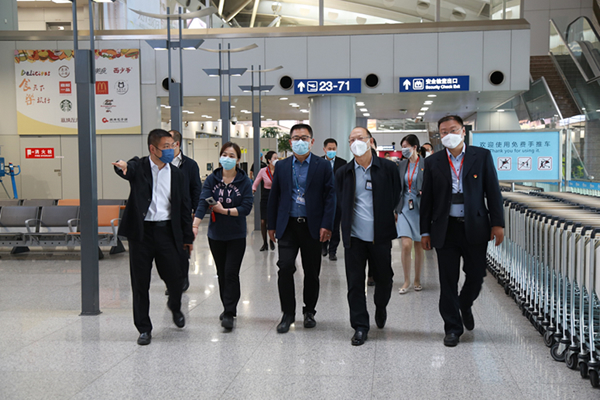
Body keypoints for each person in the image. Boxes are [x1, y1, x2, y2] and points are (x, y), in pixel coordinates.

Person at [420, 115, 504, 347]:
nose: (449, 135)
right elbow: (427, 199)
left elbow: (493, 191)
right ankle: (452, 328)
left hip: (475, 226)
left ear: (463, 131)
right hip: (445, 229)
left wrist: (498, 223)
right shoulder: (433, 162)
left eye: (453, 130)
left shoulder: (481, 156)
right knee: (447, 280)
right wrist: (425, 231)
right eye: (444, 132)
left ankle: (464, 304)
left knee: (476, 275)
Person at [112, 129, 193, 346]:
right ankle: (144, 328)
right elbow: (127, 168)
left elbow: (185, 207)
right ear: (152, 148)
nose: (170, 151)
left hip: (167, 232)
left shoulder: (177, 174)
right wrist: (122, 166)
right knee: (140, 283)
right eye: (166, 147)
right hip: (142, 234)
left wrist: (188, 238)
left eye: (172, 146)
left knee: (176, 278)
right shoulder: (139, 167)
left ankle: (174, 306)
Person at [335, 127, 401, 346]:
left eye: (360, 138)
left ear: (370, 141)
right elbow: (340, 201)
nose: (356, 142)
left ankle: (380, 306)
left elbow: (396, 194)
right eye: (351, 139)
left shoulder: (388, 168)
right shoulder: (343, 172)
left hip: (380, 235)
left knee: (385, 278)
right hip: (354, 237)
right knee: (355, 283)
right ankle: (360, 326)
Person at [268, 123, 336, 333]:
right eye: (296, 138)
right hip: (288, 225)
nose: (300, 142)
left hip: (312, 226)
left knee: (312, 272)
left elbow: (330, 197)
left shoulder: (322, 166)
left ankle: (309, 312)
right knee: (285, 267)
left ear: (312, 141)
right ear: (290, 142)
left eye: (304, 138)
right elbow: (274, 196)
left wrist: (327, 224)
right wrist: (271, 225)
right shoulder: (282, 166)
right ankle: (288, 314)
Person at [193, 142, 253, 330]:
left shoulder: (244, 181)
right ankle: (227, 306)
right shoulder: (212, 179)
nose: (227, 158)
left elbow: (246, 208)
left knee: (231, 272)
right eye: (224, 154)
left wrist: (224, 211)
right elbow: (203, 202)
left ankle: (229, 312)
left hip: (236, 235)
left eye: (231, 155)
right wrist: (195, 225)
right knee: (221, 273)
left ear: (238, 159)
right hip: (216, 235)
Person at [165, 129, 201, 294]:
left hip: (183, 214)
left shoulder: (190, 165)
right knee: (167, 249)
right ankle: (171, 281)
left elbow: (196, 190)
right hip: (164, 213)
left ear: (177, 144)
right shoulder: (161, 162)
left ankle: (183, 278)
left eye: (168, 144)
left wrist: (196, 213)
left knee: (182, 247)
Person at [396, 134, 425, 294]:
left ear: (415, 147)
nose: (404, 150)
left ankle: (417, 279)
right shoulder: (401, 165)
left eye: (406, 146)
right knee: (406, 244)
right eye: (402, 147)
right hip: (404, 208)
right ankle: (406, 280)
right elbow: (397, 187)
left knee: (419, 245)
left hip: (419, 208)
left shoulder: (425, 164)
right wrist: (395, 209)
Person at [322, 138, 347, 261]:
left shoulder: (343, 163)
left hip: (337, 200)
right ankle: (323, 246)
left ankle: (333, 250)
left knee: (335, 227)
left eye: (334, 149)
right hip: (322, 200)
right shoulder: (318, 162)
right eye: (329, 149)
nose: (331, 151)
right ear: (324, 149)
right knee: (323, 224)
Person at [252, 150, 278, 251]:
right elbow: (256, 182)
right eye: (275, 158)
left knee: (272, 219)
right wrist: (253, 190)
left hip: (276, 196)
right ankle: (265, 243)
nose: (276, 160)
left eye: (277, 158)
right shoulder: (263, 171)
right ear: (269, 160)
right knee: (263, 221)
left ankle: (271, 240)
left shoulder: (279, 170)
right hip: (266, 196)